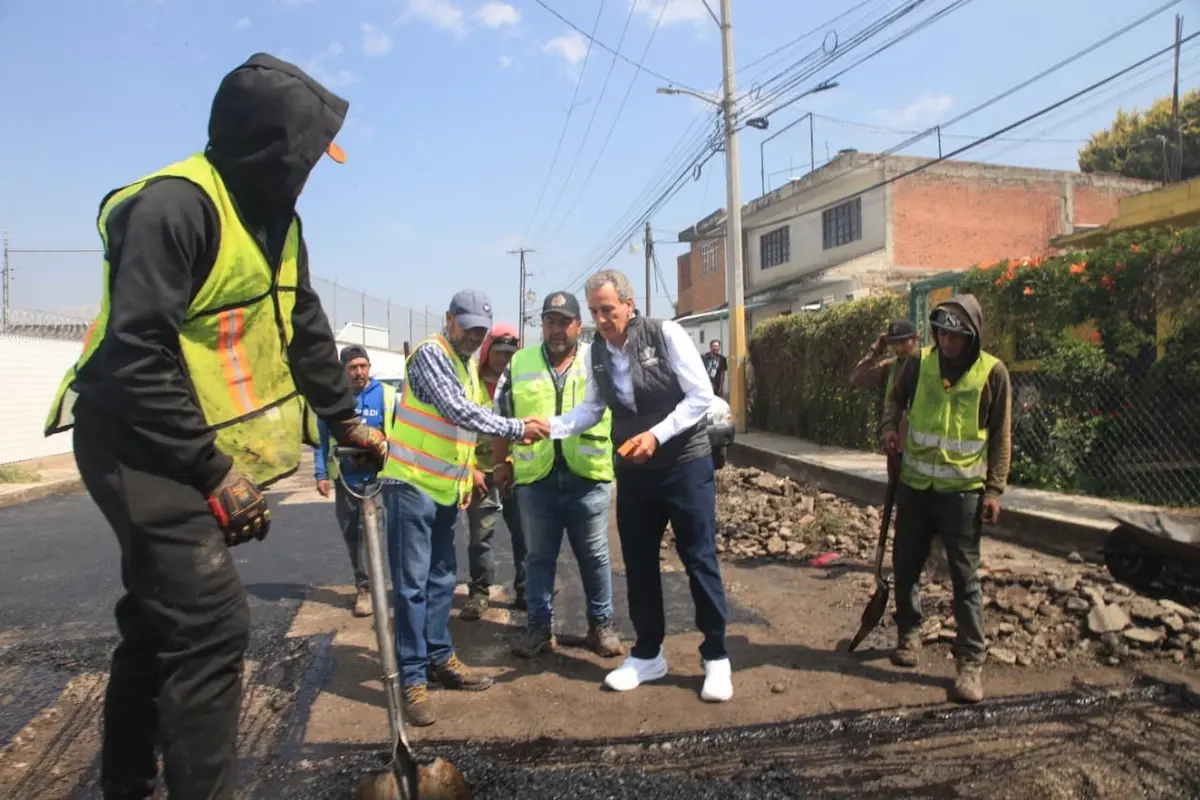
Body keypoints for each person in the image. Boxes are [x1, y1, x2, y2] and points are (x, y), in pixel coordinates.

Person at [41, 53, 388, 800]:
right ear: (273, 146)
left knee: (157, 625)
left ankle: (127, 784)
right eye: (306, 153)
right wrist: (211, 470)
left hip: (178, 442)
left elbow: (304, 328)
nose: (312, 171)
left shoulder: (278, 223)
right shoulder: (175, 208)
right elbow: (136, 354)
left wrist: (344, 422)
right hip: (132, 440)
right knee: (211, 625)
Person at [547, 269, 732, 703]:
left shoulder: (664, 333)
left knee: (699, 557)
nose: (601, 319)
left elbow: (700, 396)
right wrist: (551, 427)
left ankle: (717, 656)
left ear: (629, 305)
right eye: (593, 312)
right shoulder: (596, 353)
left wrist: (656, 435)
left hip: (684, 464)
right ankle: (648, 653)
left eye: (607, 310)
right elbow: (592, 409)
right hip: (634, 470)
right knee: (639, 562)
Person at [378, 289, 549, 727]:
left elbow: (461, 429)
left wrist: (469, 469)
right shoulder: (430, 355)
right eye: (468, 326)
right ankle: (413, 678)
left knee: (440, 580)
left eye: (481, 331)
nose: (475, 336)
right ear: (449, 318)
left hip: (445, 489)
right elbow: (456, 411)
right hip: (411, 484)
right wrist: (515, 428)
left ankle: (440, 657)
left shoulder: (467, 363)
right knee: (412, 586)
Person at [880, 294, 1012, 704]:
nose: (948, 342)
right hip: (916, 487)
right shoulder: (919, 363)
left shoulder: (993, 373)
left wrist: (994, 489)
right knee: (905, 565)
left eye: (956, 336)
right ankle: (909, 635)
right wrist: (889, 426)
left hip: (962, 496)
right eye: (942, 333)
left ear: (971, 336)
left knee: (966, 580)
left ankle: (970, 665)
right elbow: (895, 399)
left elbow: (1002, 435)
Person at [492, 291, 623, 660]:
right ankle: (539, 628)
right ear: (542, 325)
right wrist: (500, 464)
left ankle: (601, 626)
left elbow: (622, 406)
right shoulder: (519, 363)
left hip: (589, 475)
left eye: (564, 321)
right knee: (538, 557)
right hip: (537, 477)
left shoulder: (598, 359)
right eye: (550, 321)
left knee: (595, 556)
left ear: (578, 326)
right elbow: (502, 418)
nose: (556, 329)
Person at [315, 345, 395, 617]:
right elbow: (321, 441)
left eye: (363, 366)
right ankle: (363, 584)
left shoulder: (386, 395)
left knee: (371, 533)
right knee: (351, 534)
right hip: (345, 479)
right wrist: (321, 473)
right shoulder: (333, 400)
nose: (359, 372)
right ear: (343, 370)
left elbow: (399, 434)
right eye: (353, 367)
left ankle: (369, 589)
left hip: (377, 479)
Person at [460, 323, 528, 621]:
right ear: (488, 351)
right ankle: (479, 593)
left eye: (510, 352)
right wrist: (470, 468)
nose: (504, 359)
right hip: (479, 472)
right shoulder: (468, 381)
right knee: (480, 536)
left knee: (524, 534)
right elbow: (458, 427)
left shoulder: (519, 381)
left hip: (514, 470)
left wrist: (512, 462)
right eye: (499, 352)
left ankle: (527, 590)